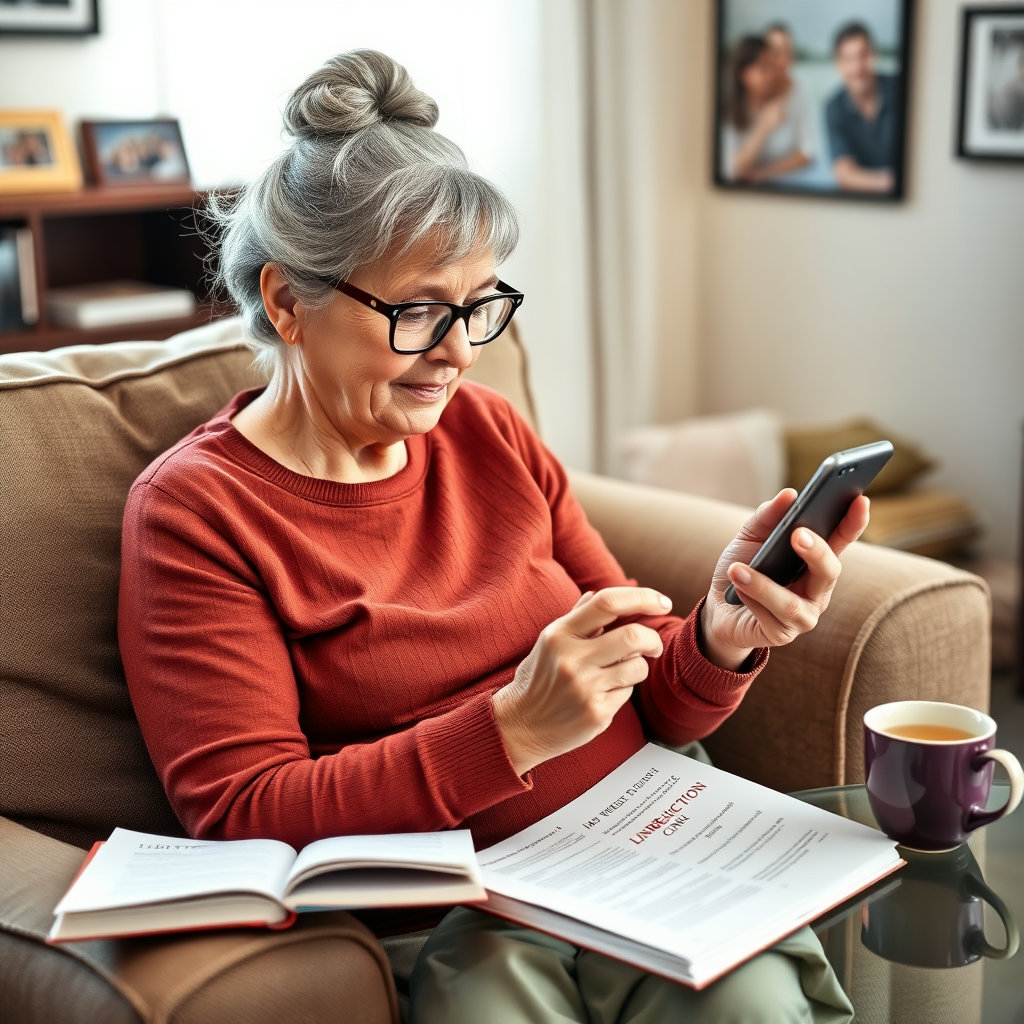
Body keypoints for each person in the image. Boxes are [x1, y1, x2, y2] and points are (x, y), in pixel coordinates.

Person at [118, 49, 865, 1023]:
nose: (462, 352)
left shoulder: (490, 430)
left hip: (648, 847)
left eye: (477, 306)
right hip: (460, 901)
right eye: (421, 310)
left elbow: (656, 701)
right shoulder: (196, 510)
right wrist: (509, 731)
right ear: (288, 302)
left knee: (753, 1011)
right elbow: (240, 808)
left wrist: (723, 633)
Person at [720, 33, 813, 184]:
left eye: (772, 67)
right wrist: (763, 127)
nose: (772, 75)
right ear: (745, 75)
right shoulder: (728, 110)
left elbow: (807, 153)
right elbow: (733, 170)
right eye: (764, 69)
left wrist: (763, 173)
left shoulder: (789, 95)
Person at [824, 22, 900, 193]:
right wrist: (895, 181)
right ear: (838, 64)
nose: (858, 67)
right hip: (860, 206)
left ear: (874, 55)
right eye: (848, 59)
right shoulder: (833, 107)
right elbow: (844, 175)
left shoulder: (900, 89)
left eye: (863, 55)